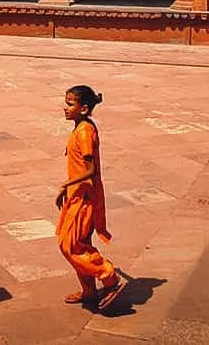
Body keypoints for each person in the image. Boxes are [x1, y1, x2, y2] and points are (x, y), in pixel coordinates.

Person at [56, 85, 126, 311]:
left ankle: (109, 277)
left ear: (84, 108)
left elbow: (91, 170)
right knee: (79, 244)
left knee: (70, 245)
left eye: (70, 104)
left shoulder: (85, 132)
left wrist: (65, 185)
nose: (64, 108)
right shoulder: (79, 127)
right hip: (76, 194)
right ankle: (89, 291)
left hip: (85, 196)